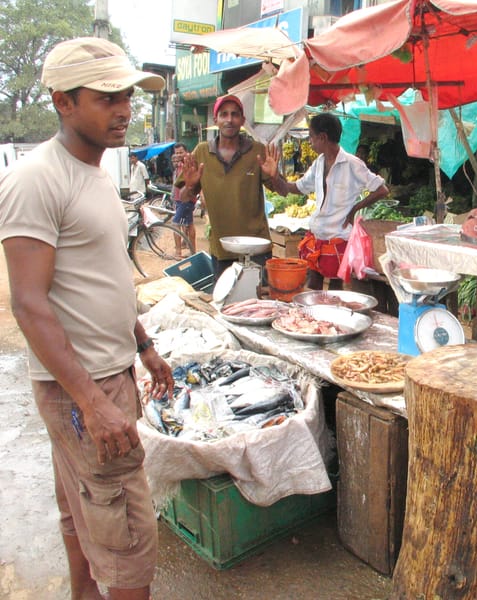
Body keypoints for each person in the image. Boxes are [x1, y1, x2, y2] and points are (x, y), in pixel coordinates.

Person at [0, 37, 174, 600]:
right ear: (62, 102)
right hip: (84, 387)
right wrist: (94, 403)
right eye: (105, 97)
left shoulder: (97, 173)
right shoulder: (36, 180)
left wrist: (143, 344)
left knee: (81, 512)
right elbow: (29, 303)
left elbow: (103, 279)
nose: (123, 108)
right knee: (127, 540)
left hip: (108, 372)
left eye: (126, 94)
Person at [263, 113, 389, 290]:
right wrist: (274, 176)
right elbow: (292, 189)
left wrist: (354, 209)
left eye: (311, 137)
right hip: (317, 235)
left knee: (335, 287)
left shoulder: (353, 164)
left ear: (322, 137)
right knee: (314, 283)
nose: (310, 142)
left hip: (338, 237)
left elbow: (382, 189)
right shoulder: (318, 163)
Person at [178, 94, 271, 282]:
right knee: (225, 303)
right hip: (222, 248)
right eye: (224, 114)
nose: (229, 119)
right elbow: (185, 196)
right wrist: (189, 186)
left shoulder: (258, 151)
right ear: (216, 120)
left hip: (256, 247)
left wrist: (275, 177)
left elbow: (282, 189)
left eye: (235, 114)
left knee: (258, 304)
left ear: (242, 121)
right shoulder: (202, 152)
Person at [171, 142, 195, 256]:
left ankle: (178, 252)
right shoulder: (179, 165)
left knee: (175, 223)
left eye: (181, 152)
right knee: (189, 224)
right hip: (179, 199)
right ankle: (193, 251)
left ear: (186, 152)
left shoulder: (189, 163)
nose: (179, 155)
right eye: (177, 153)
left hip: (186, 199)